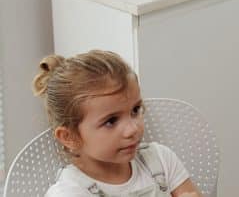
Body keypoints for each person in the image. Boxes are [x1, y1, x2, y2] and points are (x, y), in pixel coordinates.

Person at [32, 50, 202, 197]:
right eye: (111, 121)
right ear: (69, 137)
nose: (132, 129)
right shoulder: (69, 193)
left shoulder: (161, 161)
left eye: (135, 110)